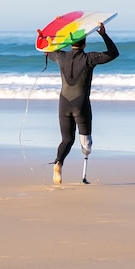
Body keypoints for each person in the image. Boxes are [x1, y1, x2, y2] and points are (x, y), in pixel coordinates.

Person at [48, 23, 119, 184]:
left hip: (63, 104)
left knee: (66, 139)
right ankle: (84, 172)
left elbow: (47, 49)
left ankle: (58, 162)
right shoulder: (89, 58)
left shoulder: (60, 56)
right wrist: (103, 34)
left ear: (71, 43)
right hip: (81, 104)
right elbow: (114, 53)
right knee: (85, 141)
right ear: (84, 43)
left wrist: (55, 35)